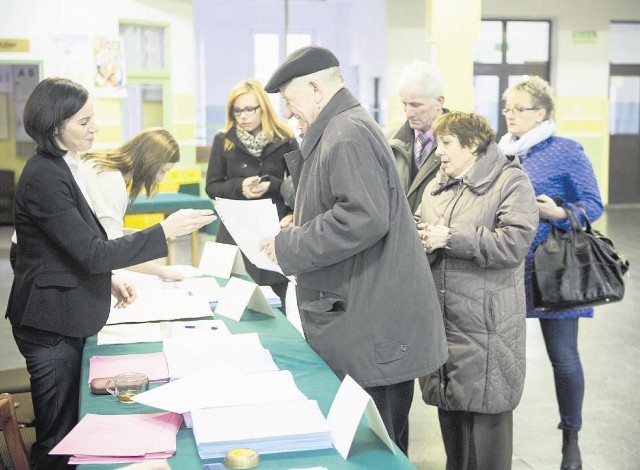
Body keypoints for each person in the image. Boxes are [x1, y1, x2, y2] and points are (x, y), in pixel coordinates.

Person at [5, 77, 215, 470]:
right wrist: (165, 231)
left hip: (62, 309)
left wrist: (109, 277)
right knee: (57, 436)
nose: (95, 128)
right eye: (84, 121)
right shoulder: (44, 175)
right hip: (49, 321)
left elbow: (80, 243)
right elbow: (94, 252)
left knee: (68, 422)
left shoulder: (59, 166)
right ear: (55, 126)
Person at [258, 45, 448, 455]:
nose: (288, 113)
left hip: (374, 327)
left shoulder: (345, 134)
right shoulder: (340, 129)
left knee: (379, 451)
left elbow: (362, 217)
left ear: (315, 88)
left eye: (290, 101)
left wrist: (290, 243)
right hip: (365, 319)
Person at [417, 112, 539, 470]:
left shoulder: (511, 182)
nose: (438, 152)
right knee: (453, 429)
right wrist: (423, 237)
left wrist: (451, 238)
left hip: (487, 328)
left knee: (487, 429)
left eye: (447, 144)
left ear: (472, 145)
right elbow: (427, 229)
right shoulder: (437, 185)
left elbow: (513, 244)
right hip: (445, 323)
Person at [498, 76, 604, 470]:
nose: (509, 114)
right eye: (507, 107)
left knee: (563, 357)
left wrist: (558, 213)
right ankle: (496, 437)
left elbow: (593, 203)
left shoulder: (566, 151)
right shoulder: (500, 152)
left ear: (541, 112)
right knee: (501, 357)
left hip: (554, 273)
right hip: (506, 271)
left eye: (518, 108)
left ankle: (570, 441)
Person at [205, 79, 298, 311]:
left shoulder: (285, 139)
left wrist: (273, 185)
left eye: (249, 109)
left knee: (274, 306)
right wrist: (240, 186)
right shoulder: (223, 140)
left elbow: (301, 184)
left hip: (272, 228)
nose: (243, 116)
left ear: (263, 108)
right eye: (237, 111)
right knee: (233, 305)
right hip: (235, 231)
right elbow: (212, 186)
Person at [81, 127, 185, 281]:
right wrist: (160, 271)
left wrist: (140, 236)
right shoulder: (110, 179)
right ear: (149, 161)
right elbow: (113, 249)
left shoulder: (98, 163)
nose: (161, 178)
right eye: (162, 170)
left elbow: (101, 229)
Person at [389, 60, 448, 212]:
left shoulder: (463, 144)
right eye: (404, 104)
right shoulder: (388, 143)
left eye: (416, 105)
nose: (408, 113)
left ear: (439, 102)